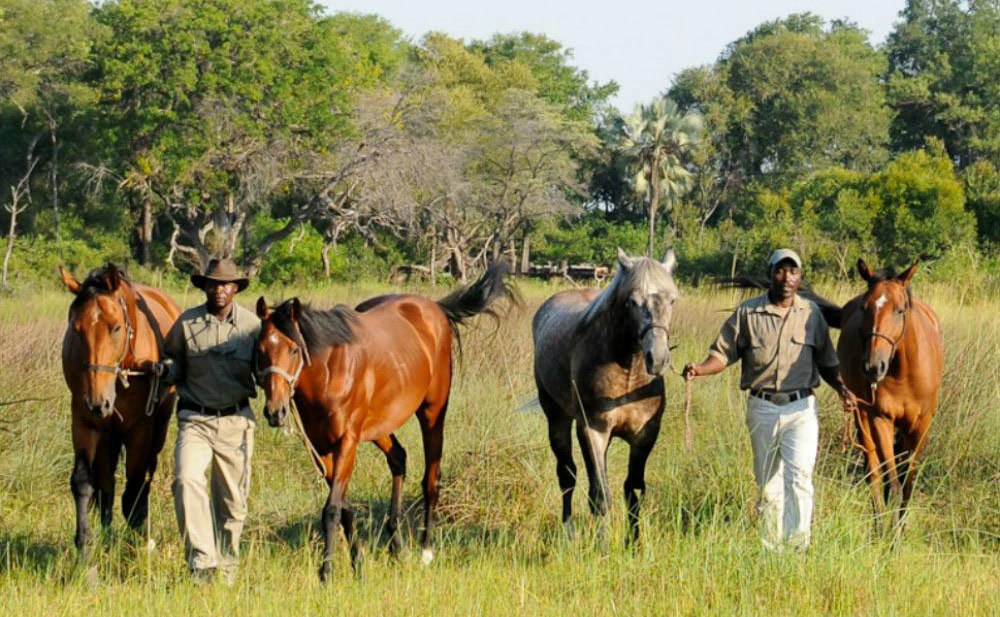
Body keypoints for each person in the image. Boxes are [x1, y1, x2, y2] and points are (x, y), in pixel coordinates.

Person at [683, 248, 856, 551]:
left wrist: (843, 389)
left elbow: (827, 362)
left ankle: (798, 548)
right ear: (770, 274)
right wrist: (700, 369)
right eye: (780, 270)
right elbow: (722, 354)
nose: (787, 277)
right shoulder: (748, 313)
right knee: (767, 486)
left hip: (801, 408)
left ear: (800, 278)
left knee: (800, 478)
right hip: (761, 408)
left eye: (793, 272)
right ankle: (770, 550)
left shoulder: (812, 315)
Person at [153, 257, 260, 583]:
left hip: (236, 421)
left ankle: (227, 570)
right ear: (205, 287)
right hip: (195, 419)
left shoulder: (252, 327)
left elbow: (267, 369)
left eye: (226, 284)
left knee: (232, 503)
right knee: (186, 480)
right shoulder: (186, 323)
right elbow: (172, 361)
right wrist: (165, 370)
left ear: (235, 288)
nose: (219, 290)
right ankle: (202, 566)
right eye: (213, 284)